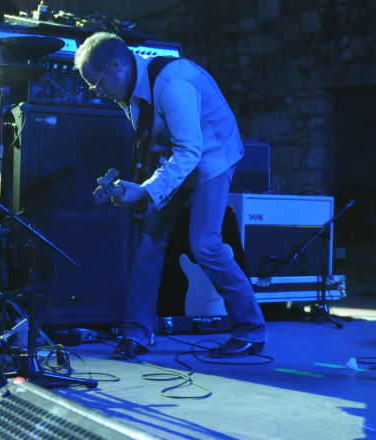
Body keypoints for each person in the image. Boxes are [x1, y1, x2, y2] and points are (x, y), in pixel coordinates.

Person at [74, 32, 266, 358]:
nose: (99, 93)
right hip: (180, 159)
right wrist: (137, 188)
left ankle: (251, 330)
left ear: (116, 66)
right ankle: (137, 333)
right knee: (150, 239)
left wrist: (147, 190)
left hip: (213, 157)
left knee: (205, 245)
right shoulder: (132, 93)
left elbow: (191, 152)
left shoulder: (173, 84)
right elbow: (158, 148)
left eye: (97, 84)